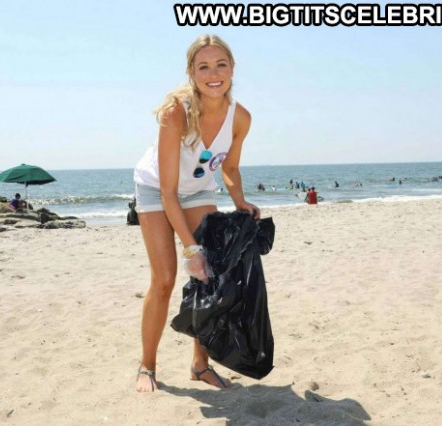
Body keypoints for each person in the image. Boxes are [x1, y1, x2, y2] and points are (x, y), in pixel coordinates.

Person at [132, 35, 260, 393]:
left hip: (199, 190)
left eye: (221, 65)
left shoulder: (240, 118)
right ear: (192, 72)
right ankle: (147, 364)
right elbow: (169, 193)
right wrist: (191, 249)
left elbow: (229, 168)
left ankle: (200, 365)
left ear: (232, 69)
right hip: (157, 189)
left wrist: (240, 201)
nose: (213, 74)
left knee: (210, 276)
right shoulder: (176, 112)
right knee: (165, 279)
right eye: (203, 66)